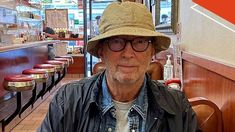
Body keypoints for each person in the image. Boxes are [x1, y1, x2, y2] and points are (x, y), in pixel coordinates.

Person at [38, 2, 200, 132]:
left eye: (140, 42)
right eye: (116, 41)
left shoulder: (178, 107)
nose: (128, 53)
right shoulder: (67, 101)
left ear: (152, 51)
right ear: (101, 51)